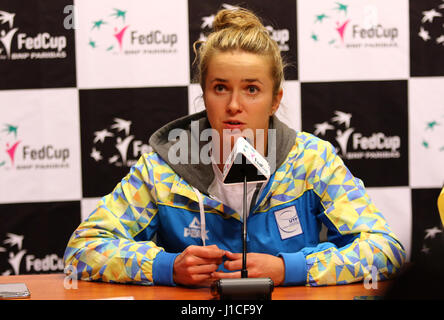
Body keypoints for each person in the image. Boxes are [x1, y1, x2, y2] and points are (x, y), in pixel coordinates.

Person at [64, 7, 405, 287]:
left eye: (252, 89)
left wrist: (291, 269)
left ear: (275, 100)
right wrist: (165, 266)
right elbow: (82, 250)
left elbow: (385, 249)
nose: (234, 105)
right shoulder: (163, 168)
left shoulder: (311, 160)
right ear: (204, 94)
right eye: (221, 87)